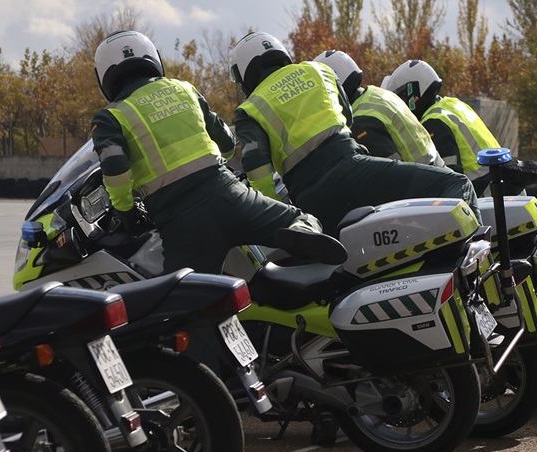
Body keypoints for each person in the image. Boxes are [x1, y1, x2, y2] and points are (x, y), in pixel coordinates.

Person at [89, 30, 345, 274]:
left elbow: (115, 168)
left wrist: (128, 213)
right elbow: (227, 143)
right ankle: (302, 233)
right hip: (228, 192)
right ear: (154, 59)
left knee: (185, 296)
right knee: (297, 220)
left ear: (104, 77)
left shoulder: (111, 117)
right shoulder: (185, 90)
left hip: (180, 221)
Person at [229, 32, 479, 234]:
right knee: (457, 183)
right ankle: (471, 263)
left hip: (309, 199)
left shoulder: (249, 110)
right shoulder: (320, 71)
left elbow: (261, 180)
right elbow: (348, 118)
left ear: (244, 75)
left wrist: (293, 219)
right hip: (356, 168)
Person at [382, 60, 505, 195]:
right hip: (498, 183)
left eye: (401, 98)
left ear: (414, 91)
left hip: (483, 193)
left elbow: (448, 179)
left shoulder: (433, 122)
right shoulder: (453, 105)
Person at [312, 50, 445, 168]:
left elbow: (390, 177)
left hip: (428, 189)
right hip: (439, 179)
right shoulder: (379, 96)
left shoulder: (361, 119)